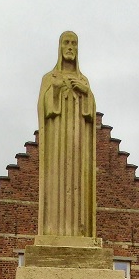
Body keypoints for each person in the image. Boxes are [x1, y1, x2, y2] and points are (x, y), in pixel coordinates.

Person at [37, 30, 97, 239]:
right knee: (56, 183)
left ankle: (81, 233)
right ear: (60, 47)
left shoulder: (84, 80)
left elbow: (91, 113)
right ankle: (53, 231)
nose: (70, 47)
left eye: (74, 43)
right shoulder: (49, 78)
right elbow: (44, 110)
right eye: (66, 43)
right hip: (56, 142)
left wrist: (85, 92)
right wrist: (54, 90)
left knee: (79, 185)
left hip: (79, 143)